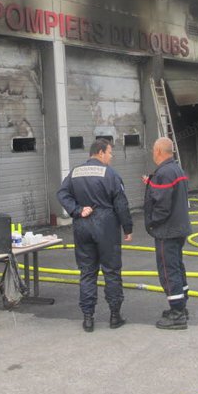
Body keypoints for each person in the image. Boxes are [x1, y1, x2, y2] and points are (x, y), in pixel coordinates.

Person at [57, 138, 133, 332]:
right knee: (111, 271)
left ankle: (88, 318)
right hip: (106, 226)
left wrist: (77, 210)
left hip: (83, 226)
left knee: (88, 272)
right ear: (100, 152)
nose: (111, 157)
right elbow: (121, 204)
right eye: (109, 153)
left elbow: (62, 194)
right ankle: (115, 315)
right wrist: (128, 228)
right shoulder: (111, 174)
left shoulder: (75, 172)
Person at [143, 137, 192, 330]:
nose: (153, 154)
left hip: (167, 231)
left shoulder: (163, 173)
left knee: (167, 270)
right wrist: (150, 182)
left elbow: (162, 206)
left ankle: (177, 314)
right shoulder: (176, 169)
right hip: (179, 228)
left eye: (154, 151)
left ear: (159, 152)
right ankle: (181, 306)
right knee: (177, 267)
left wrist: (152, 224)